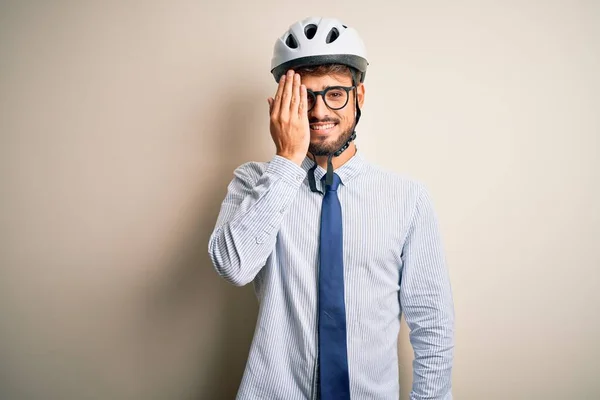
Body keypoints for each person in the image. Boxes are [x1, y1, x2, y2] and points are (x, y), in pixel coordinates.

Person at [208, 16, 454, 400]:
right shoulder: (252, 182)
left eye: (334, 93)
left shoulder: (408, 199)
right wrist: (287, 161)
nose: (319, 111)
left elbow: (433, 325)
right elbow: (233, 267)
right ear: (283, 104)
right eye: (303, 96)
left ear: (359, 96)